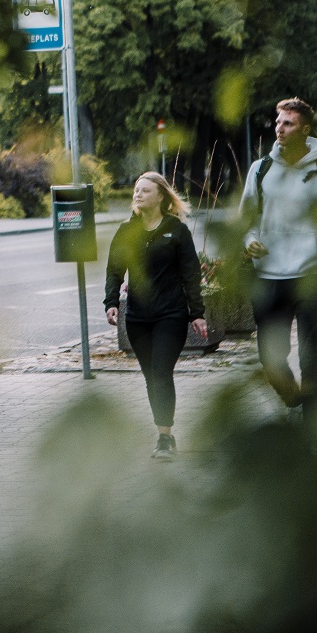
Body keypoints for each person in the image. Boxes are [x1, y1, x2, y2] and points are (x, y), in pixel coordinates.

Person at [239, 98, 317, 427]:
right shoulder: (260, 170)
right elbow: (245, 223)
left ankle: (311, 430)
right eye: (278, 122)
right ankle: (295, 401)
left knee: (312, 359)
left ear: (305, 130)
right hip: (268, 278)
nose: (279, 128)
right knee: (270, 359)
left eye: (287, 123)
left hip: (311, 276)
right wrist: (249, 241)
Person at [104, 172, 206, 461]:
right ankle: (163, 432)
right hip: (137, 317)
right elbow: (114, 270)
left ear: (160, 196)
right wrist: (112, 302)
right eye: (136, 190)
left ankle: (165, 437)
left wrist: (197, 313)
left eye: (145, 190)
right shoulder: (127, 231)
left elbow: (191, 273)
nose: (137, 194)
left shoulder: (176, 230)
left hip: (171, 315)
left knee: (161, 373)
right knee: (152, 378)